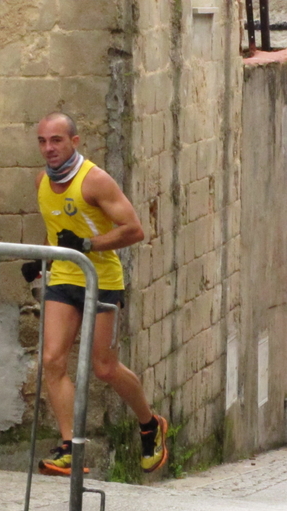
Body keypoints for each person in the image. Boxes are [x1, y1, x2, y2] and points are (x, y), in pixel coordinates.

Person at [25, 111, 168, 476]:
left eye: (56, 140)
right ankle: (71, 447)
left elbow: (134, 230)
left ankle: (150, 424)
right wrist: (43, 258)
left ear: (74, 142)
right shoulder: (43, 180)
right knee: (53, 361)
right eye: (42, 141)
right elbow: (57, 229)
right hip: (63, 278)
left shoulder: (95, 181)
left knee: (104, 367)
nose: (48, 148)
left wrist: (88, 244)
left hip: (101, 280)